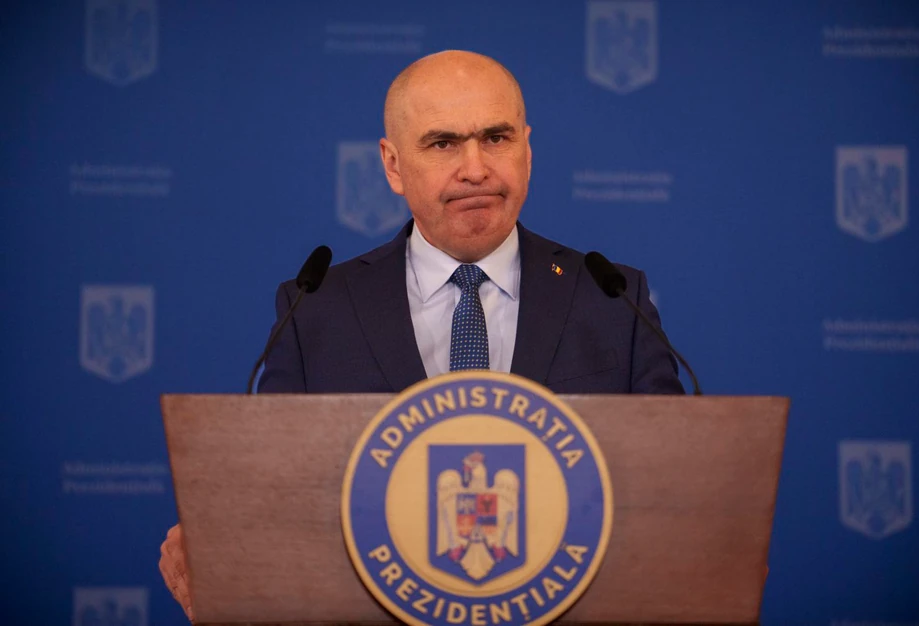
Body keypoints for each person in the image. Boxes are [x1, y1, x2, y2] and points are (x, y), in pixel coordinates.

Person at [159, 49, 683, 618]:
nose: (476, 169)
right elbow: (278, 496)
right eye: (443, 144)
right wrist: (228, 555)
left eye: (497, 138)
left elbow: (674, 489)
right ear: (392, 165)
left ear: (527, 150)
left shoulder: (611, 298)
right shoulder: (315, 309)